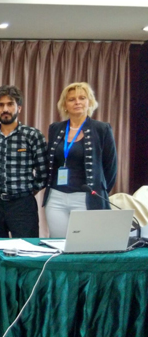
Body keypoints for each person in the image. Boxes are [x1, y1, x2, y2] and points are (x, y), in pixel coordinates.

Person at [43, 82, 117, 238]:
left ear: (89, 102)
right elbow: (51, 162)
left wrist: (97, 190)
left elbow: (110, 168)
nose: (77, 102)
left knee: (84, 244)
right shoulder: (55, 128)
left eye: (82, 98)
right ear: (65, 105)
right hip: (56, 197)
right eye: (71, 99)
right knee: (58, 244)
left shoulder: (101, 129)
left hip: (85, 198)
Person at [0, 85, 48, 238]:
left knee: (27, 248)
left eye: (10, 104)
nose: (5, 109)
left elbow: (43, 171)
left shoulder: (33, 136)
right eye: (0, 105)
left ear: (19, 108)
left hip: (22, 204)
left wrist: (28, 190)